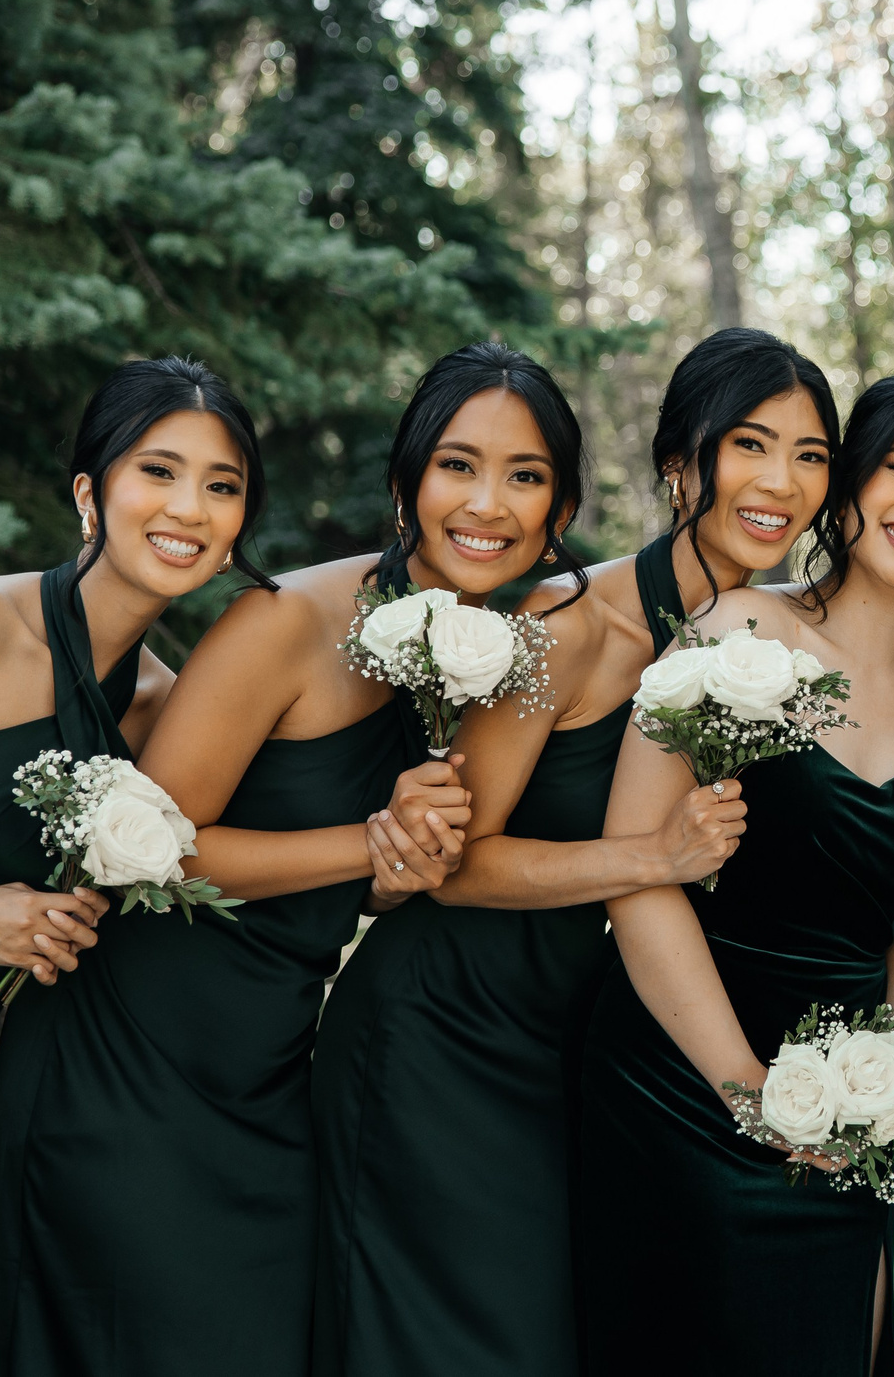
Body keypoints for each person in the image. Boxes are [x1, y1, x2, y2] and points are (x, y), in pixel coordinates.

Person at [0, 342, 573, 1377]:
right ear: (404, 486)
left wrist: (393, 875)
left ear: (557, 509)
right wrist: (369, 842)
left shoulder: (500, 657)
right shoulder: (291, 621)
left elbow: (389, 885)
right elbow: (151, 847)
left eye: (525, 476)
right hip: (130, 1061)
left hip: (271, 1071)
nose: (489, 502)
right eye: (457, 466)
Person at [307, 330, 821, 1377]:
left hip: (578, 1046)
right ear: (680, 465)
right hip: (442, 1039)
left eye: (811, 456)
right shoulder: (571, 625)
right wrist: (647, 857)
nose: (780, 481)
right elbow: (454, 863)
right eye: (749, 446)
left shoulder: (770, 650)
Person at [0, 358, 261, 1377]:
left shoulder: (164, 711)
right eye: (158, 471)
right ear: (88, 493)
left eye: (223, 485)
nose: (188, 508)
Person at [579, 367, 894, 1376]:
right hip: (678, 1079)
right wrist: (746, 1089)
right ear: (850, 484)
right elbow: (639, 875)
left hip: (841, 1103)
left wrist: (884, 1085)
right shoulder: (740, 634)